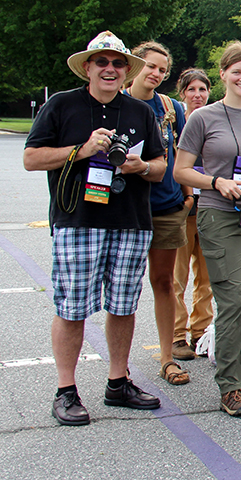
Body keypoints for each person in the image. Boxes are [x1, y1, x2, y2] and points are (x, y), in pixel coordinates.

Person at [25, 30, 165, 426]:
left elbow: (159, 167)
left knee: (123, 306)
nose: (109, 69)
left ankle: (117, 382)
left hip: (130, 223)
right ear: (87, 67)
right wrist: (81, 151)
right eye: (101, 62)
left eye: (118, 63)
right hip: (78, 221)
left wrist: (139, 167)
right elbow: (31, 159)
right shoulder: (61, 106)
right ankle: (66, 390)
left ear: (126, 70)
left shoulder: (140, 112)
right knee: (72, 309)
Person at [175, 41, 241, 416]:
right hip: (219, 213)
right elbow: (181, 170)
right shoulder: (202, 118)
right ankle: (228, 385)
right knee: (233, 298)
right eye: (236, 71)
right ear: (222, 74)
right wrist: (214, 182)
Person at [124, 41, 192, 385]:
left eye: (162, 69)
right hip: (125, 208)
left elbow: (182, 151)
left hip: (166, 206)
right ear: (135, 65)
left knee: (164, 282)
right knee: (123, 286)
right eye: (150, 66)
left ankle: (167, 358)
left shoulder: (170, 107)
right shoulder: (119, 102)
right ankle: (119, 363)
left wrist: (187, 195)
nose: (156, 74)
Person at [172, 68, 214, 360]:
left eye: (202, 90)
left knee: (207, 276)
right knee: (177, 276)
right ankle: (176, 334)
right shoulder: (174, 124)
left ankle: (201, 329)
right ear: (182, 94)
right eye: (192, 90)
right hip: (182, 208)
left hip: (210, 207)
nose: (197, 95)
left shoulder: (215, 121)